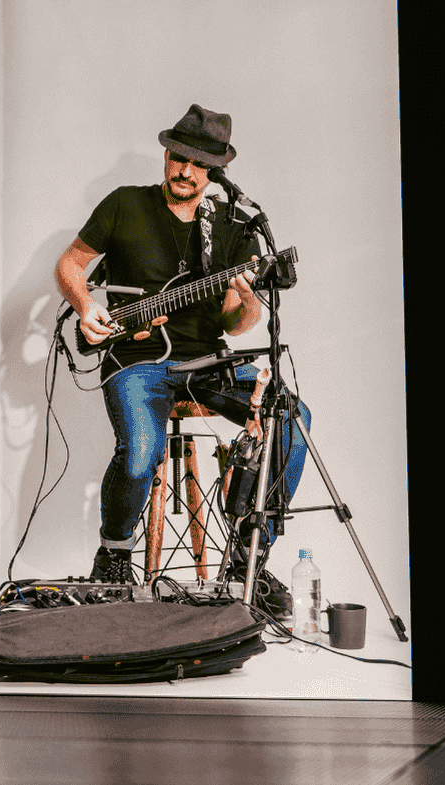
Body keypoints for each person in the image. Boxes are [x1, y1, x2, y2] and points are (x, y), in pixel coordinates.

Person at [54, 104, 310, 598]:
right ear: (166, 155)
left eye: (196, 163)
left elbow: (237, 325)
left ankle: (248, 557)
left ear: (214, 171)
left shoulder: (232, 227)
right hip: (136, 361)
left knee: (291, 418)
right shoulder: (124, 203)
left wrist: (247, 294)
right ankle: (112, 555)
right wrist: (86, 306)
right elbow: (71, 264)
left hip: (208, 362)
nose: (184, 170)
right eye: (177, 157)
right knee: (141, 452)